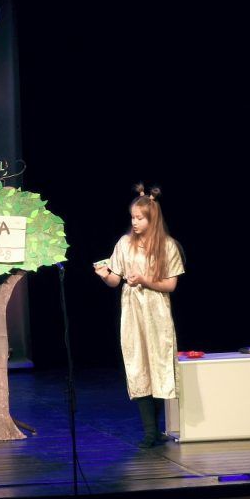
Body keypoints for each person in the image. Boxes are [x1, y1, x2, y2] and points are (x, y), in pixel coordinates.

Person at [94, 184, 185, 448]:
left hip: (156, 313)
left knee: (158, 365)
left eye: (139, 218)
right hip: (133, 312)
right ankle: (149, 432)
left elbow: (170, 285)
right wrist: (105, 276)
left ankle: (157, 430)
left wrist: (145, 280)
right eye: (132, 217)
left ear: (151, 219)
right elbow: (116, 279)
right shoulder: (124, 244)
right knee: (138, 365)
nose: (134, 222)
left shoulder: (168, 246)